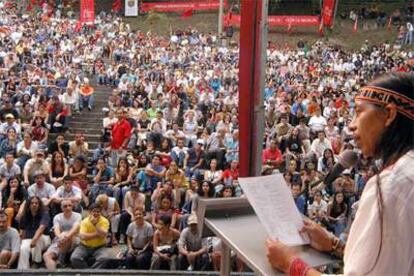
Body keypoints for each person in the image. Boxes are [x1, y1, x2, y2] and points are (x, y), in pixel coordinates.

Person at [266, 73, 414, 275]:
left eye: (359, 112)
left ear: (389, 114)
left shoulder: (392, 186)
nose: (351, 124)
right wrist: (336, 246)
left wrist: (290, 263)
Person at [70, 203, 112, 269]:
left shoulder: (104, 221)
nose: (96, 213)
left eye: (98, 211)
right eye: (94, 211)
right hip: (84, 246)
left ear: (101, 212)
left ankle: (91, 272)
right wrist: (98, 234)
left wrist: (95, 224)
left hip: (100, 247)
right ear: (90, 212)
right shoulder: (85, 221)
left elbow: (104, 234)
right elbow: (83, 237)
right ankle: (88, 272)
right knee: (74, 258)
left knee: (104, 258)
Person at [43, 199, 82, 269]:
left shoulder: (77, 216)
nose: (68, 208)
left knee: (66, 234)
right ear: (61, 208)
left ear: (72, 206)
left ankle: (61, 259)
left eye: (70, 205)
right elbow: (56, 229)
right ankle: (53, 273)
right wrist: (60, 237)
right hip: (60, 240)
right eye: (65, 206)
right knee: (46, 255)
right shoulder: (57, 217)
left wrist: (65, 236)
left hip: (74, 239)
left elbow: (75, 228)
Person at [18, 196, 51, 269]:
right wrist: (20, 242)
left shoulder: (44, 213)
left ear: (39, 205)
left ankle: (36, 262)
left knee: (38, 239)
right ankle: (23, 270)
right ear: (28, 205)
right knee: (23, 248)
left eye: (36, 203)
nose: (34, 205)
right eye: (32, 203)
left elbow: (42, 228)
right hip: (29, 238)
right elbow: (22, 230)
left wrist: (35, 239)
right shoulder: (25, 215)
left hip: (44, 239)